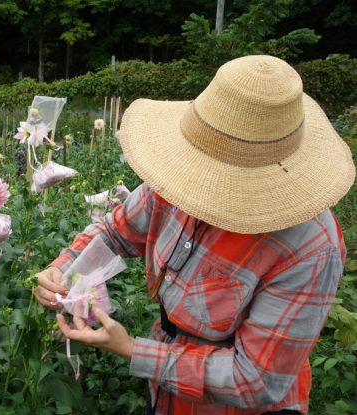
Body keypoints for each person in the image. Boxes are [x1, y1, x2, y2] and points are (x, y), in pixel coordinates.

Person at [34, 55, 355, 414]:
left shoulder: (308, 247)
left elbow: (256, 381)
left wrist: (132, 350)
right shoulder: (173, 182)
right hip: (167, 393)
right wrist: (64, 266)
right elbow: (117, 231)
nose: (198, 191)